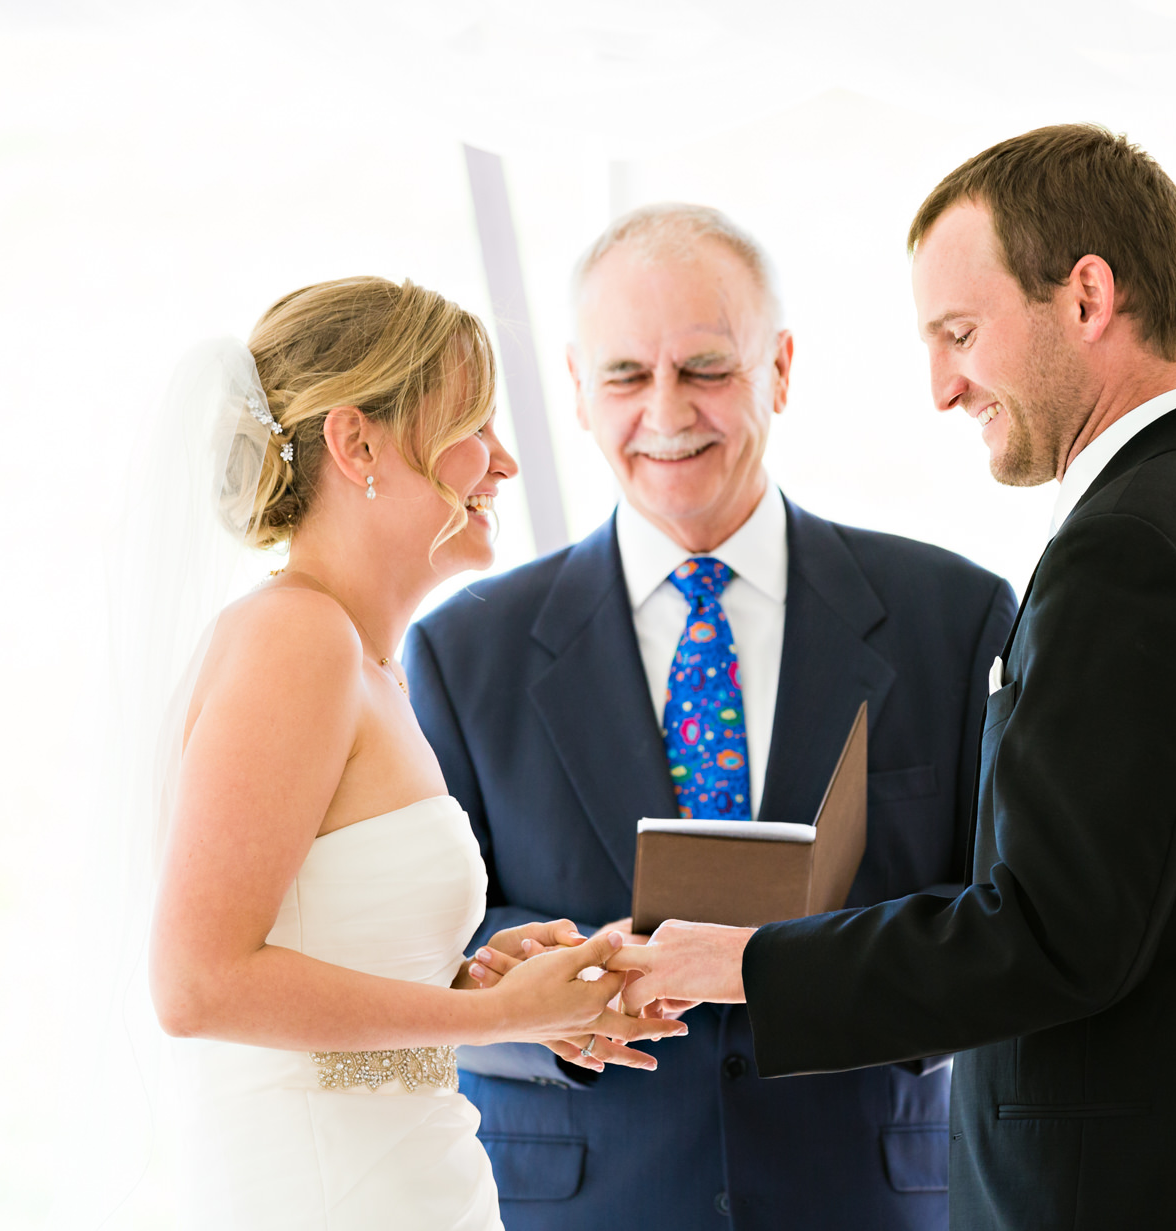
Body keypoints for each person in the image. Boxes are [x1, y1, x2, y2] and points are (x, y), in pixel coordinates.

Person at [608, 126, 1176, 1229]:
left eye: (959, 333)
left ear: (1087, 296)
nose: (940, 386)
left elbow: (1051, 933)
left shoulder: (1134, 553)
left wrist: (749, 964)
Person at [406, 205, 1016, 1229]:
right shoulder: (463, 651)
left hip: (863, 1193)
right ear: (574, 388)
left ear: (779, 369)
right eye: (624, 377)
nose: (664, 411)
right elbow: (429, 946)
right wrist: (544, 977)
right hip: (581, 1199)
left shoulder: (952, 618)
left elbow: (1001, 930)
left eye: (704, 369)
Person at [145, 276, 684, 1231]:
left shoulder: (368, 664)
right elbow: (199, 984)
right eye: (475, 420)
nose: (506, 461)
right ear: (358, 444)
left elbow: (316, 964)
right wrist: (498, 1019)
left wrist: (481, 977)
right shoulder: (294, 639)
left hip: (409, 1182)